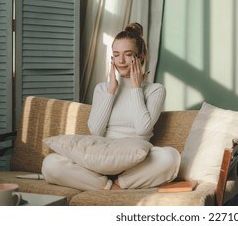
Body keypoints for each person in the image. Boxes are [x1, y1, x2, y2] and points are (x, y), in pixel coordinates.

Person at [42, 23, 180, 190]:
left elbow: (142, 129)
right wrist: (111, 92)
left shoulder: (155, 90)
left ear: (141, 56)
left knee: (170, 157)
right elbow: (96, 131)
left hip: (135, 163)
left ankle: (120, 183)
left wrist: (136, 88)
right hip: (100, 159)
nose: (121, 61)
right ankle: (107, 186)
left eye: (128, 55)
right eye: (116, 55)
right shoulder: (102, 89)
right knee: (51, 163)